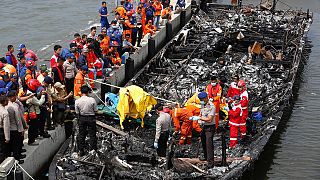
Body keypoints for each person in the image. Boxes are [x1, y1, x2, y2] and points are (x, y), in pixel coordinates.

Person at [189, 92, 215, 167]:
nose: (201, 101)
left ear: (206, 98)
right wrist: (198, 118)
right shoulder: (203, 105)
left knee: (209, 144)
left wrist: (199, 118)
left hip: (210, 127)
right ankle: (206, 157)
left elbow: (209, 119)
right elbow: (201, 113)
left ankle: (210, 163)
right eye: (200, 99)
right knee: (203, 141)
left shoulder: (211, 107)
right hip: (204, 126)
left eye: (202, 99)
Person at [75, 85, 97, 156]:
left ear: (81, 92)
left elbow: (77, 112)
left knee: (81, 135)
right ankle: (92, 150)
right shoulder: (92, 100)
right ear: (88, 92)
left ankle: (81, 150)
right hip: (91, 118)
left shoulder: (77, 101)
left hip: (82, 118)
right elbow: (96, 110)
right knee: (92, 135)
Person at [6, 91, 25, 164]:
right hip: (15, 128)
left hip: (9, 129)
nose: (16, 97)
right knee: (16, 145)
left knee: (11, 145)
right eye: (15, 96)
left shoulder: (6, 106)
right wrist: (21, 129)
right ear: (12, 97)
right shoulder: (14, 107)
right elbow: (18, 120)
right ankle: (17, 158)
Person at [26, 79, 45, 145]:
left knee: (34, 126)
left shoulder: (29, 92)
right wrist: (43, 96)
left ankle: (34, 137)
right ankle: (31, 141)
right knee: (32, 127)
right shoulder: (30, 95)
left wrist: (40, 94)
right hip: (32, 113)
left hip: (33, 111)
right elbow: (39, 103)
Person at [0, 96, 10, 162]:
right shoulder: (4, 112)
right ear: (5, 102)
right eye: (7, 100)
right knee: (2, 148)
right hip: (1, 131)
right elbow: (6, 127)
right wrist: (7, 138)